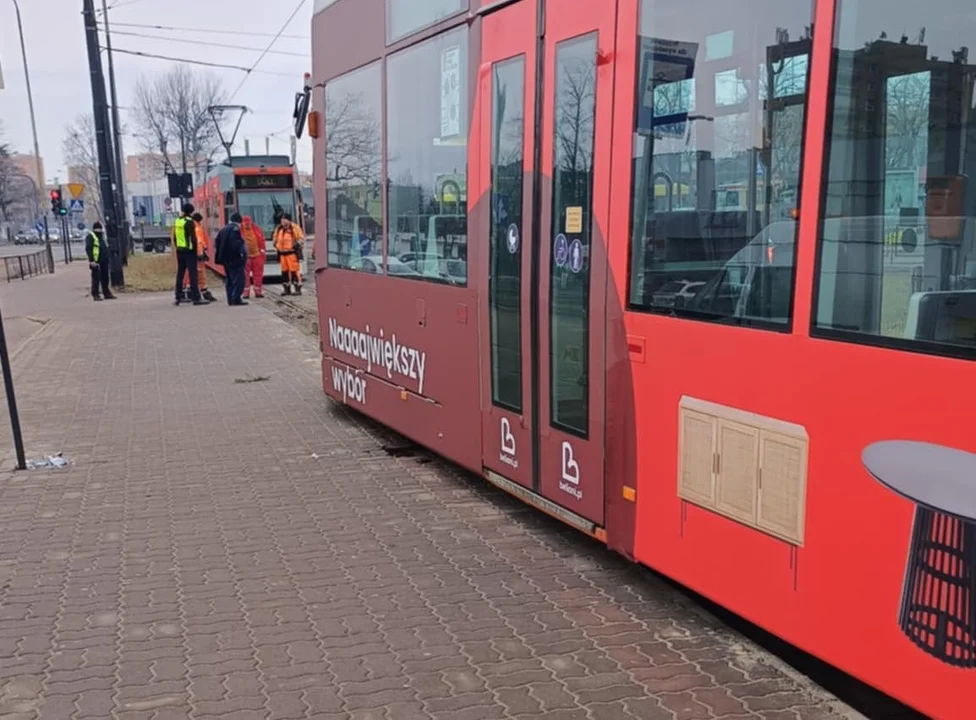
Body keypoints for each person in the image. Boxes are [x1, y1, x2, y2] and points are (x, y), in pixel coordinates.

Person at [172, 203, 205, 306]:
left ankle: (178, 296)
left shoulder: (177, 221)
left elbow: (175, 237)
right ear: (191, 211)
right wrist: (196, 252)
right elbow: (193, 238)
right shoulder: (190, 222)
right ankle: (196, 298)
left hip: (180, 250)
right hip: (189, 251)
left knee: (180, 274)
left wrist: (177, 247)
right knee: (193, 274)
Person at [214, 212, 248, 305]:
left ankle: (230, 299)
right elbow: (236, 244)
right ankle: (236, 298)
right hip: (235, 259)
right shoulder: (235, 229)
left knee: (229, 279)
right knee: (239, 279)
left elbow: (217, 242)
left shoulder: (223, 229)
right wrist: (241, 254)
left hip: (225, 259)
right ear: (239, 222)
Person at [182, 212, 216, 303]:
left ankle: (189, 291)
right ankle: (203, 292)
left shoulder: (190, 226)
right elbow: (199, 242)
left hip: (190, 254)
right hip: (197, 255)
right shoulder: (197, 229)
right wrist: (201, 254)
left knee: (190, 273)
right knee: (200, 274)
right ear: (199, 220)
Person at [273, 214, 306, 295]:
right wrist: (276, 245)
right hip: (282, 254)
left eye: (284, 219)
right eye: (282, 220)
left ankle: (297, 289)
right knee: (284, 272)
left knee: (294, 271)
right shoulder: (279, 229)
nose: (283, 221)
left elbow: (301, 238)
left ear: (289, 220)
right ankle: (286, 289)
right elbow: (275, 238)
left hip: (292, 253)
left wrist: (296, 245)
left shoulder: (295, 228)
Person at [86, 222, 116, 302]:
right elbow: (89, 248)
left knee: (105, 278)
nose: (100, 230)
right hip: (96, 261)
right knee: (96, 279)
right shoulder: (91, 237)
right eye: (98, 228)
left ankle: (106, 293)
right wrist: (91, 260)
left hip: (104, 261)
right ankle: (95, 294)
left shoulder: (101, 237)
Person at [240, 215, 267, 299]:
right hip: (246, 256)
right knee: (245, 275)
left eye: (248, 223)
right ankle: (246, 292)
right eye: (245, 223)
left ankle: (258, 291)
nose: (247, 225)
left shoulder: (257, 229)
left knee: (258, 275)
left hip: (257, 255)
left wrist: (262, 252)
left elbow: (262, 241)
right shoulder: (239, 230)